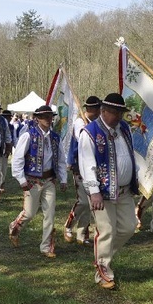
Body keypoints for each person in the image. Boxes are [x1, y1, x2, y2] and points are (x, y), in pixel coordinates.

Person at [78, 93, 139, 290]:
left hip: (124, 190)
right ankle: (103, 272)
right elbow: (87, 164)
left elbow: (130, 156)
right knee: (106, 231)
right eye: (114, 112)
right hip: (102, 191)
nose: (118, 116)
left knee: (129, 227)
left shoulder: (125, 130)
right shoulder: (89, 132)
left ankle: (101, 257)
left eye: (120, 112)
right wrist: (94, 191)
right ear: (103, 111)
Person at [8, 105, 68, 258]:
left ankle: (46, 246)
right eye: (45, 117)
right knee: (29, 213)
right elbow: (18, 159)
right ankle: (14, 227)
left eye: (50, 116)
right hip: (32, 180)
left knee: (50, 213)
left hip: (49, 180)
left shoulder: (55, 137)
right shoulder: (29, 135)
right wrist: (21, 179)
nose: (48, 119)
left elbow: (61, 159)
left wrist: (63, 179)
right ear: (38, 118)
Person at [64, 95, 101, 246]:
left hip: (94, 167)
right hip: (79, 166)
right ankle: (68, 225)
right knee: (83, 201)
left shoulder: (97, 123)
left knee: (90, 202)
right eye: (98, 108)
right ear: (91, 109)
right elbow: (82, 139)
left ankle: (82, 234)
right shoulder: (80, 122)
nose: (100, 111)